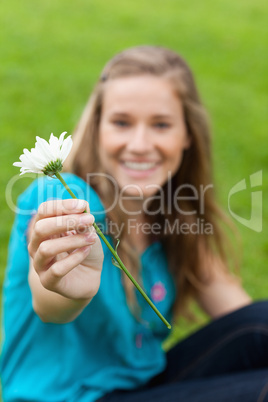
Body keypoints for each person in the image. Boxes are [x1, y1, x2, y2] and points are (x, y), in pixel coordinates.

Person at [1, 45, 268, 402]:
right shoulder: (62, 199)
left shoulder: (174, 215)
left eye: (161, 124)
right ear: (97, 128)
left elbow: (245, 322)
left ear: (187, 135)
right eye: (122, 122)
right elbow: (48, 303)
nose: (140, 144)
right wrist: (65, 289)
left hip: (147, 387)